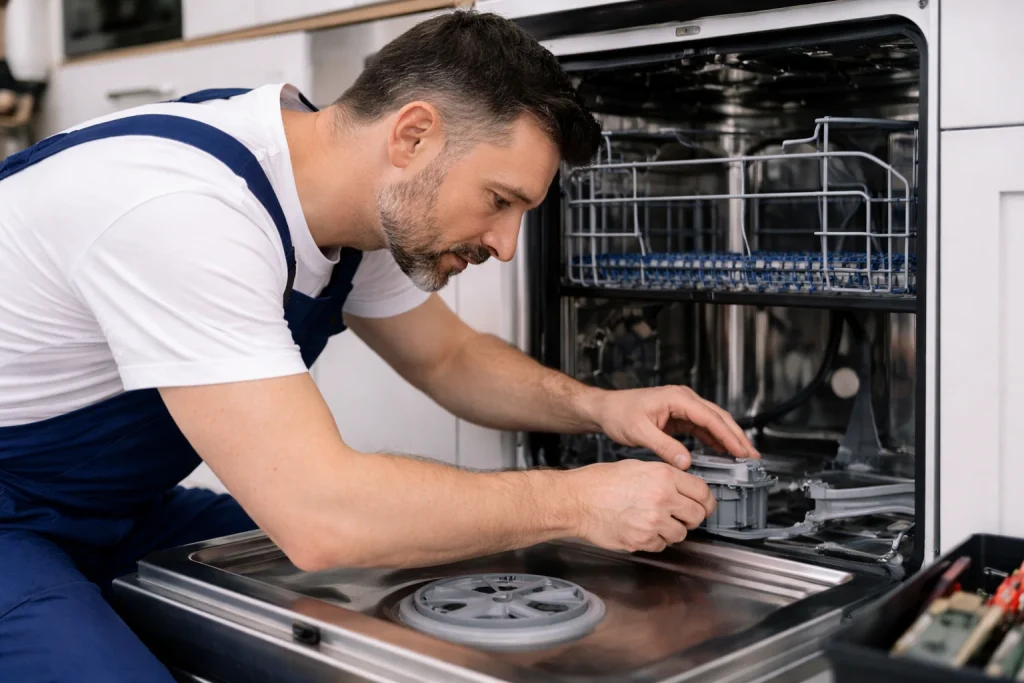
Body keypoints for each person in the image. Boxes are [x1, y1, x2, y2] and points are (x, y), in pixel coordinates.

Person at [0, 10, 758, 683]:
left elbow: (449, 359)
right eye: (500, 201)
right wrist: (575, 499)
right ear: (413, 135)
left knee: (416, 569)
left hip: (109, 509)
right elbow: (321, 516)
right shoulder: (188, 212)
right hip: (12, 523)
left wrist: (601, 407)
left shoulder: (343, 204)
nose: (503, 243)